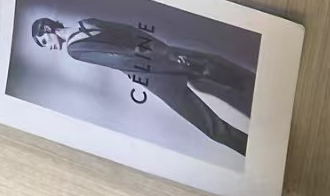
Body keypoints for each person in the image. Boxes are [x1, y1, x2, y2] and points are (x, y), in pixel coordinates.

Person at [31, 15, 253, 154]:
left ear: (48, 29)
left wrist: (161, 61)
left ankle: (254, 152)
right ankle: (252, 92)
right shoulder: (86, 22)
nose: (49, 47)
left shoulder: (74, 50)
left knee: (213, 127)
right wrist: (166, 51)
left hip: (154, 75)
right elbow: (132, 31)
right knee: (217, 71)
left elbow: (120, 60)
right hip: (160, 54)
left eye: (44, 41)